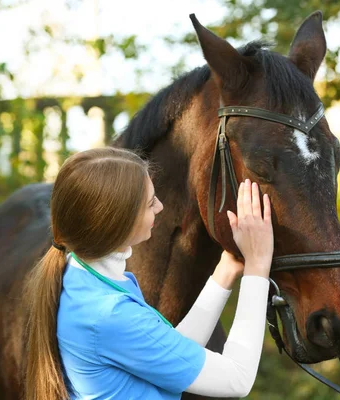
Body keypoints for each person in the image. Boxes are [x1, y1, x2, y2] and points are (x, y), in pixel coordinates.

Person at [24, 147, 273, 400]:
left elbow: (168, 350)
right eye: (150, 202)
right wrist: (258, 266)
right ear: (117, 221)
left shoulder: (82, 273)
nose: (160, 207)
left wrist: (226, 269)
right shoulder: (109, 313)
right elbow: (236, 379)